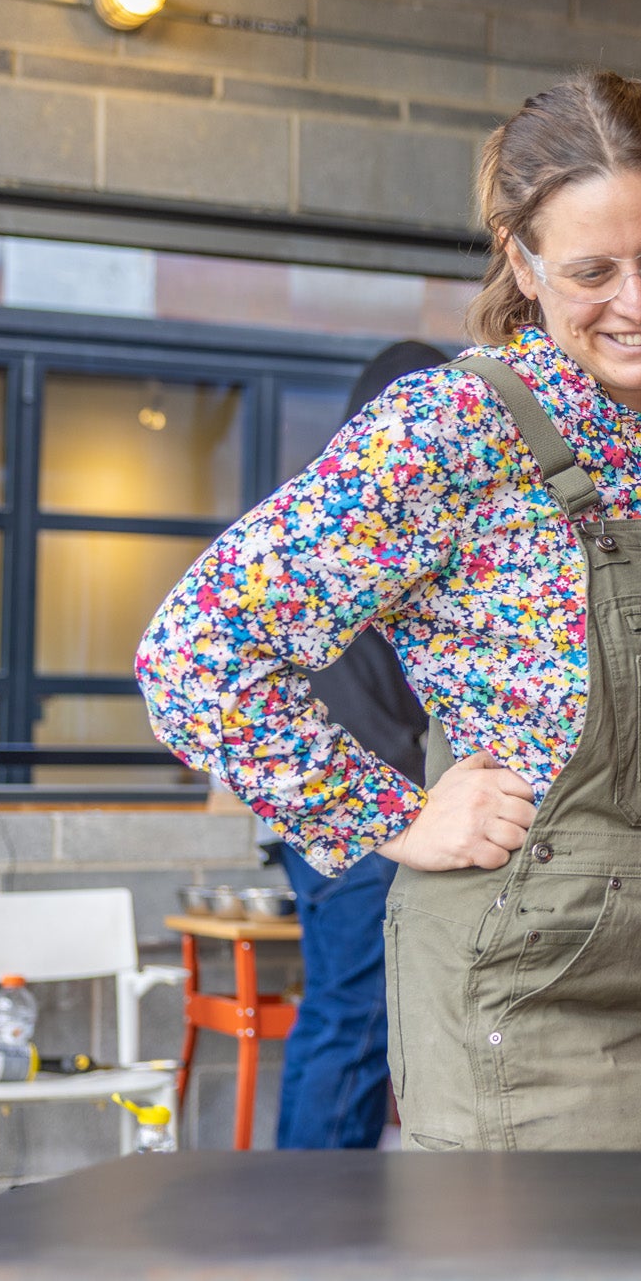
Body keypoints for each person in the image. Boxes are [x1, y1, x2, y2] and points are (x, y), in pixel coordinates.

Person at [139, 70, 641, 1154]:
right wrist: (394, 819)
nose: (639, 301)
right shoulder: (454, 424)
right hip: (537, 1001)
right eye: (591, 270)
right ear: (522, 264)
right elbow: (195, 650)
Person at [269, 339, 446, 1151]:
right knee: (356, 1020)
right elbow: (373, 700)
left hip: (322, 817)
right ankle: (314, 1234)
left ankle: (294, 1222)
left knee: (337, 1014)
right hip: (370, 816)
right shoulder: (364, 524)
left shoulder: (316, 514)